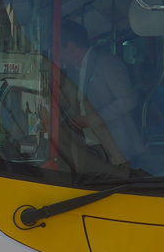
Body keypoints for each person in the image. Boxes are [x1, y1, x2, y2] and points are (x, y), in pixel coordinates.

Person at [58, 20, 144, 165]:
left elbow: (128, 100)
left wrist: (92, 119)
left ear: (71, 46)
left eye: (59, 49)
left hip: (118, 146)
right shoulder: (75, 71)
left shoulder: (106, 62)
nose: (58, 56)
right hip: (96, 146)